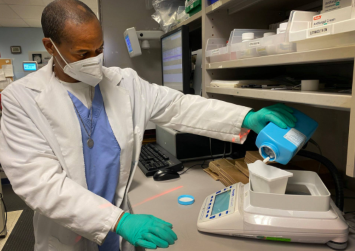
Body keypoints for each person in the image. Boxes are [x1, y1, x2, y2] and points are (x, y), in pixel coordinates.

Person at [0, 1, 297, 251]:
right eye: (82, 54)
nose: (94, 61)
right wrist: (116, 220)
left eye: (99, 49)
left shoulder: (124, 82)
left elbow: (179, 106)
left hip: (119, 228)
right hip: (67, 232)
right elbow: (39, 182)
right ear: (50, 47)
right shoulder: (21, 98)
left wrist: (245, 117)